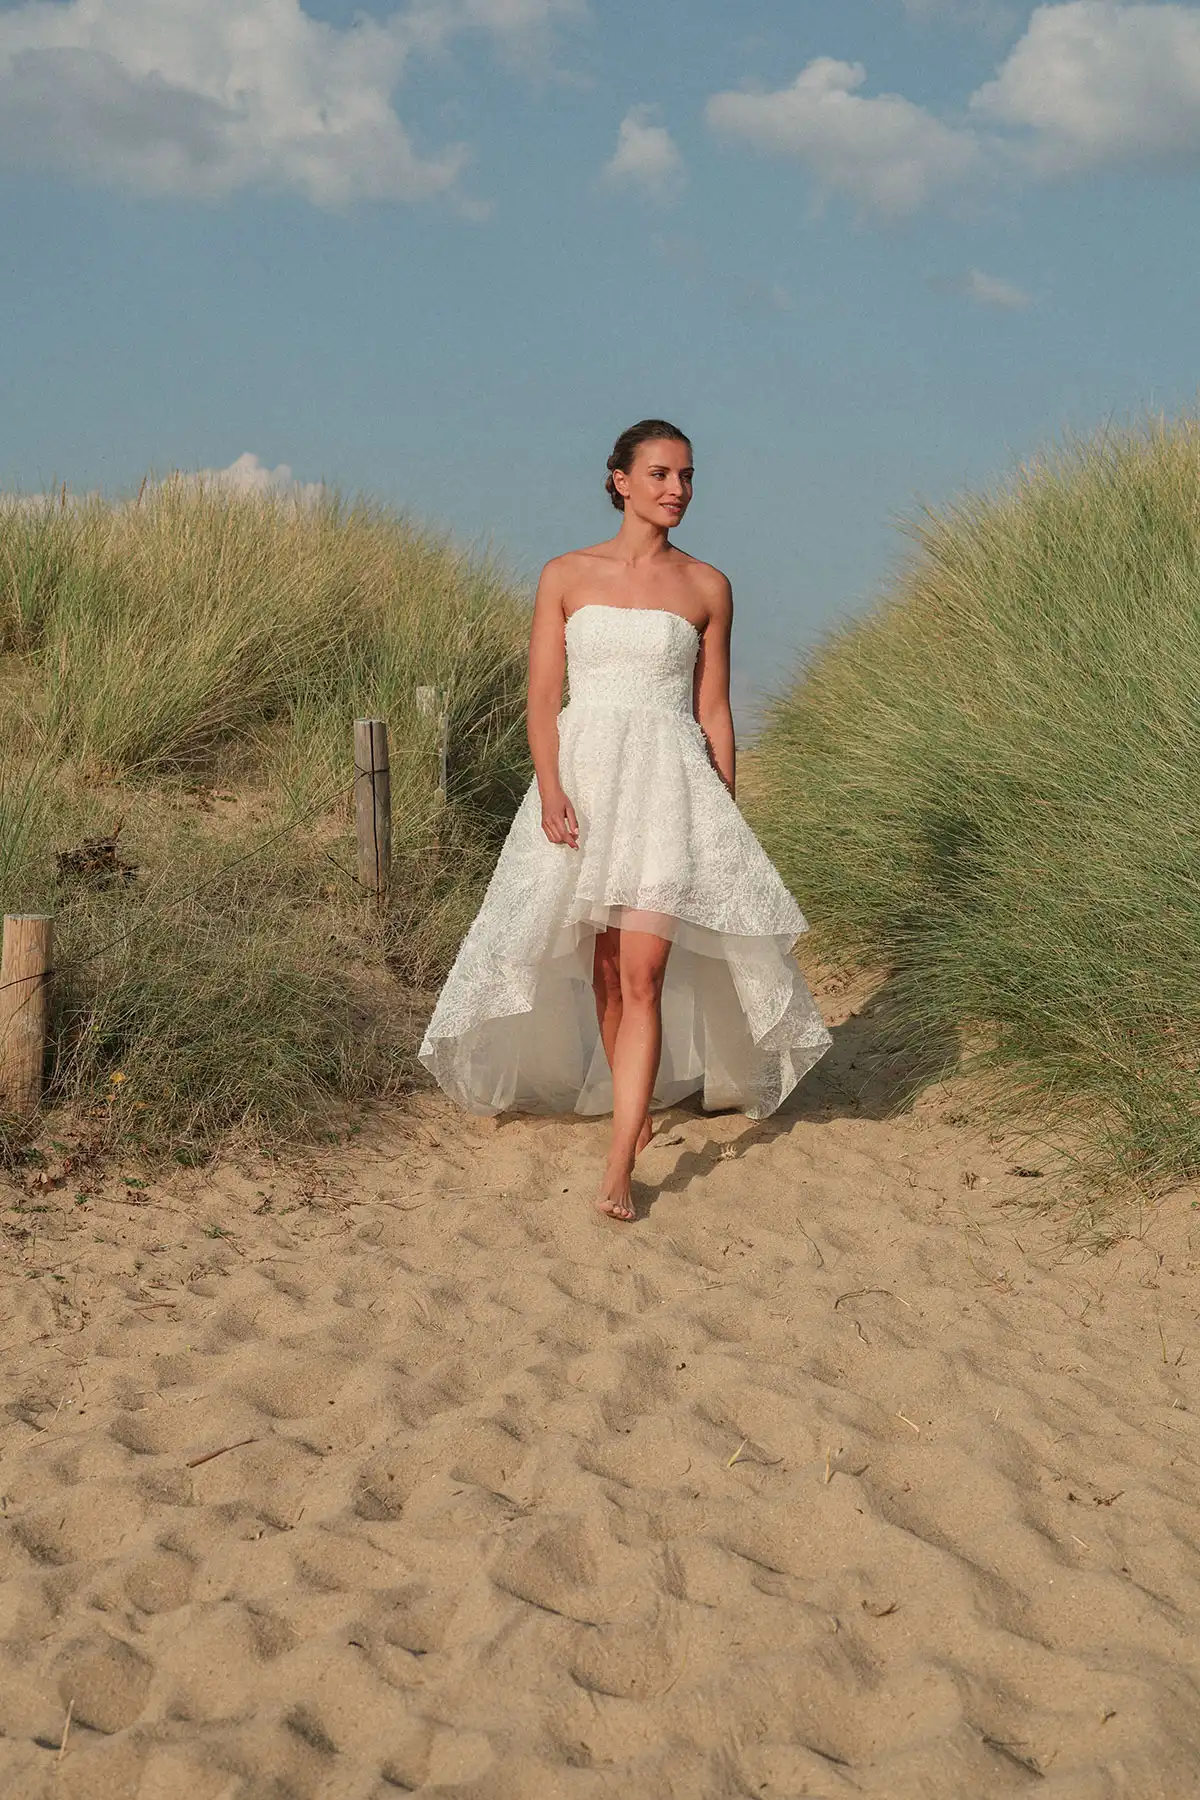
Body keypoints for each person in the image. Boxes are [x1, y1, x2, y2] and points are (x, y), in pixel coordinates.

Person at [419, 419, 831, 1220]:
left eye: (686, 476)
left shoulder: (708, 586)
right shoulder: (564, 575)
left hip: (672, 793)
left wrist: (723, 815)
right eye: (659, 474)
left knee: (642, 975)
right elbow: (543, 698)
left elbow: (714, 712)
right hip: (585, 782)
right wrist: (549, 789)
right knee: (606, 973)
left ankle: (619, 1164)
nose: (676, 489)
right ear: (619, 479)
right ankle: (634, 1116)